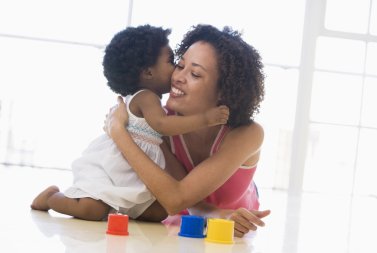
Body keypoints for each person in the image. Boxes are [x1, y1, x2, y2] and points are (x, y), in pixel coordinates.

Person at [30, 25, 229, 222]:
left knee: (158, 212)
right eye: (171, 62)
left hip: (132, 171)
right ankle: (51, 198)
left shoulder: (154, 100)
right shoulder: (146, 98)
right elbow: (162, 125)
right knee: (91, 210)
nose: (176, 70)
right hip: (111, 167)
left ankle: (115, 208)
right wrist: (206, 119)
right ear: (148, 73)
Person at [104, 24, 270, 238]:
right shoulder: (160, 125)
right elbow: (180, 201)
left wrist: (119, 133)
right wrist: (218, 216)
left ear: (224, 90)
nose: (178, 77)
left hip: (235, 220)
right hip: (187, 220)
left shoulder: (247, 133)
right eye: (180, 65)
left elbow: (177, 198)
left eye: (195, 74)